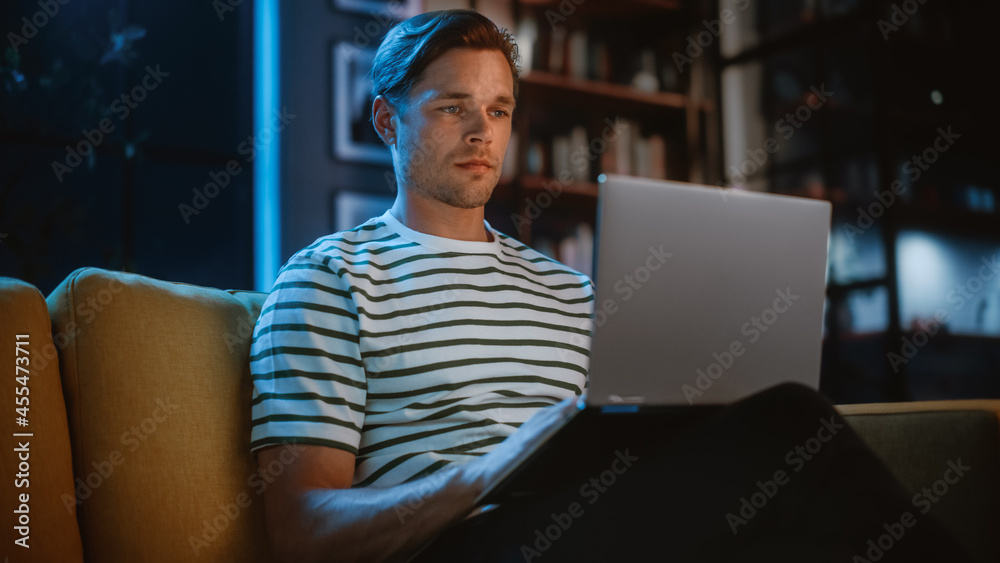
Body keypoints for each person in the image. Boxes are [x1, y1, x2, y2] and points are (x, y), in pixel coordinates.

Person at [249, 10, 972, 563]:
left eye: (498, 109)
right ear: (387, 119)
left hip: (605, 522)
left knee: (782, 448)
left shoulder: (575, 292)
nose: (481, 133)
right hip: (463, 543)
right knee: (794, 427)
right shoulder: (329, 277)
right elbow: (301, 530)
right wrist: (493, 467)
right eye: (450, 107)